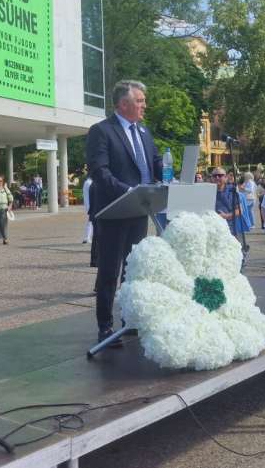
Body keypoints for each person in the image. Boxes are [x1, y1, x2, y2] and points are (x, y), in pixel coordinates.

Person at [85, 80, 162, 346]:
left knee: (133, 268)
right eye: (140, 101)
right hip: (113, 211)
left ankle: (129, 319)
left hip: (139, 210)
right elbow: (99, 171)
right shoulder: (102, 131)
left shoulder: (144, 132)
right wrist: (128, 191)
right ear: (123, 104)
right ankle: (105, 326)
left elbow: (154, 163)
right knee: (110, 271)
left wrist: (168, 179)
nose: (144, 105)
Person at [82, 175, 94, 244]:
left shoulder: (86, 183)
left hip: (88, 204)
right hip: (91, 205)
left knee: (90, 221)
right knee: (91, 221)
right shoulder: (90, 183)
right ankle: (87, 237)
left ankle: (87, 237)